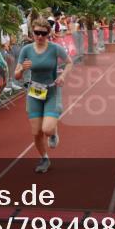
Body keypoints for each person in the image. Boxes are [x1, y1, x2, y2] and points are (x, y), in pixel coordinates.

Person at [14, 18, 73, 174]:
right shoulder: (26, 50)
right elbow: (16, 76)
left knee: (46, 129)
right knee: (36, 132)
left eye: (43, 33)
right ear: (32, 32)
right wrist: (21, 70)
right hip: (34, 93)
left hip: (52, 91)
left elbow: (69, 62)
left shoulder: (54, 48)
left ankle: (53, 132)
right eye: (37, 33)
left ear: (48, 33)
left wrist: (63, 77)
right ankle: (44, 158)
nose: (40, 36)